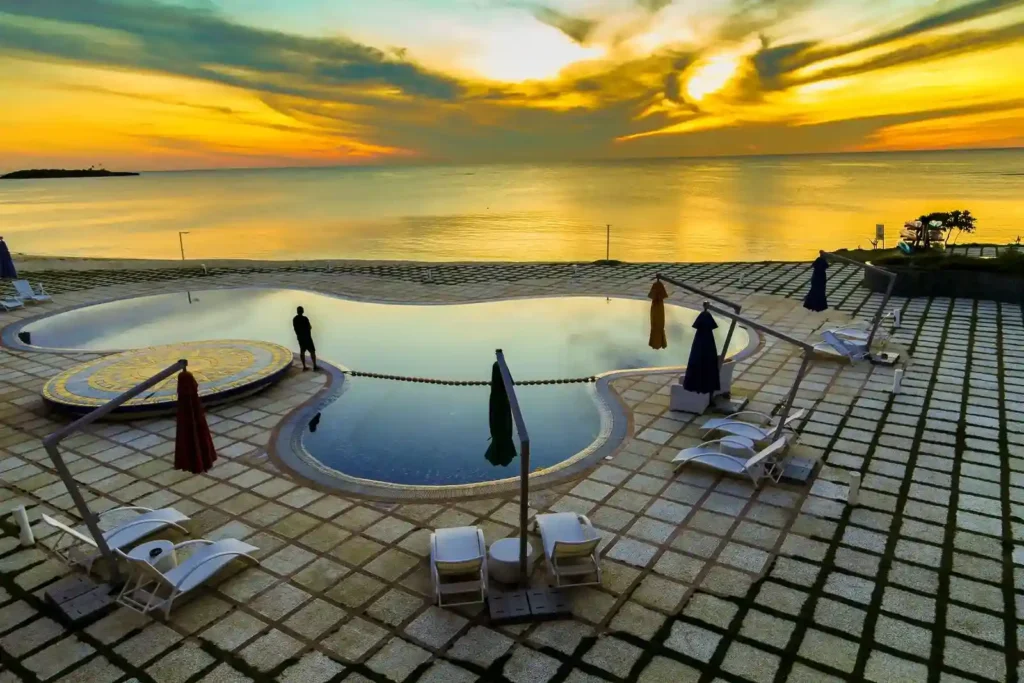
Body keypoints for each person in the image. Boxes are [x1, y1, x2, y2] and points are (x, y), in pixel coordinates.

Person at [292, 306, 317, 371]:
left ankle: (304, 366)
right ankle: (314, 365)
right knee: (312, 351)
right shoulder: (305, 318)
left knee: (302, 351)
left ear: (297, 312)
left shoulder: (295, 319)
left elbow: (295, 328)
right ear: (303, 311)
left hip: (300, 338)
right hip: (307, 338)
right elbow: (309, 327)